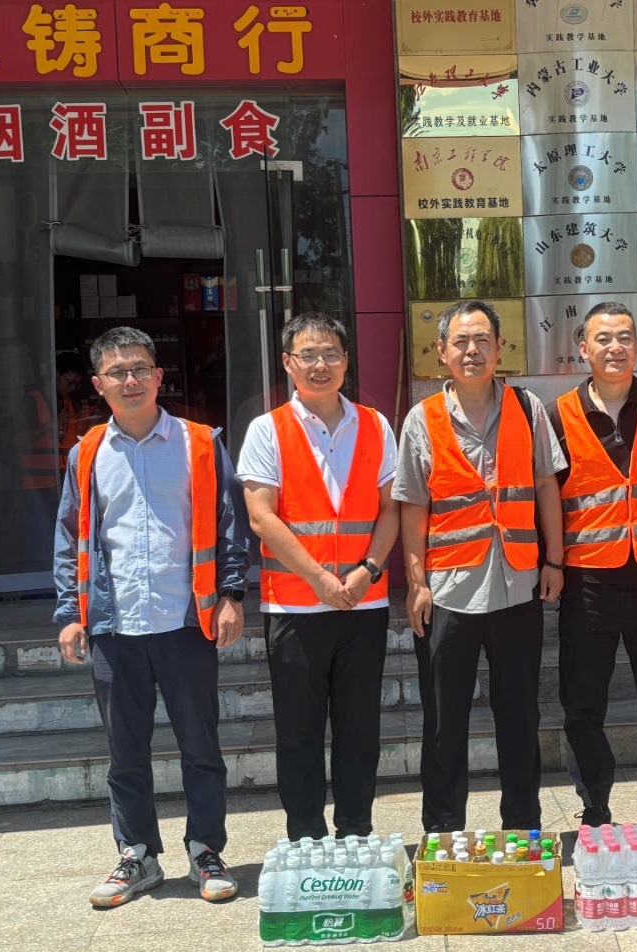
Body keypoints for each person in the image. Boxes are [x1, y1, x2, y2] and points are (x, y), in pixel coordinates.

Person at [53, 326, 251, 907]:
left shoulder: (199, 443)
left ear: (159, 376)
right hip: (115, 627)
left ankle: (206, 851)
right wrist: (70, 613)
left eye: (141, 368)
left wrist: (232, 594)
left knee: (201, 747)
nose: (131, 380)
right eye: (118, 372)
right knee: (125, 755)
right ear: (99, 384)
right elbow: (69, 538)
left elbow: (231, 523)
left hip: (186, 621)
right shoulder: (86, 453)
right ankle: (136, 855)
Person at [394, 299, 567, 833]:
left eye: (482, 340)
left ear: (499, 347)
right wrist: (416, 584)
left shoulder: (527, 408)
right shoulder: (422, 419)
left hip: (518, 586)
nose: (472, 350)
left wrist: (555, 560)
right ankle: (443, 833)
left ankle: (523, 828)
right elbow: (413, 506)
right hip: (449, 592)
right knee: (444, 724)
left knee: (520, 718)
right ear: (441, 351)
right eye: (461, 341)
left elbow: (546, 485)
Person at [238, 312, 400, 841]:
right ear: (288, 363)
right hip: (294, 606)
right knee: (299, 733)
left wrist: (367, 570)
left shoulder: (375, 425)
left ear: (346, 361)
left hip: (363, 604)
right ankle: (305, 837)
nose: (320, 364)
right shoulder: (267, 429)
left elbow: (391, 508)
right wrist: (319, 580)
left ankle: (355, 831)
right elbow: (261, 516)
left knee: (359, 730)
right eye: (308, 355)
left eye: (330, 353)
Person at [545, 301, 637, 827]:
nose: (615, 347)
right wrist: (552, 562)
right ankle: (595, 804)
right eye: (603, 339)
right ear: (583, 349)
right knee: (583, 703)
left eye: (625, 337)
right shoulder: (558, 413)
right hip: (589, 582)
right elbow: (549, 497)